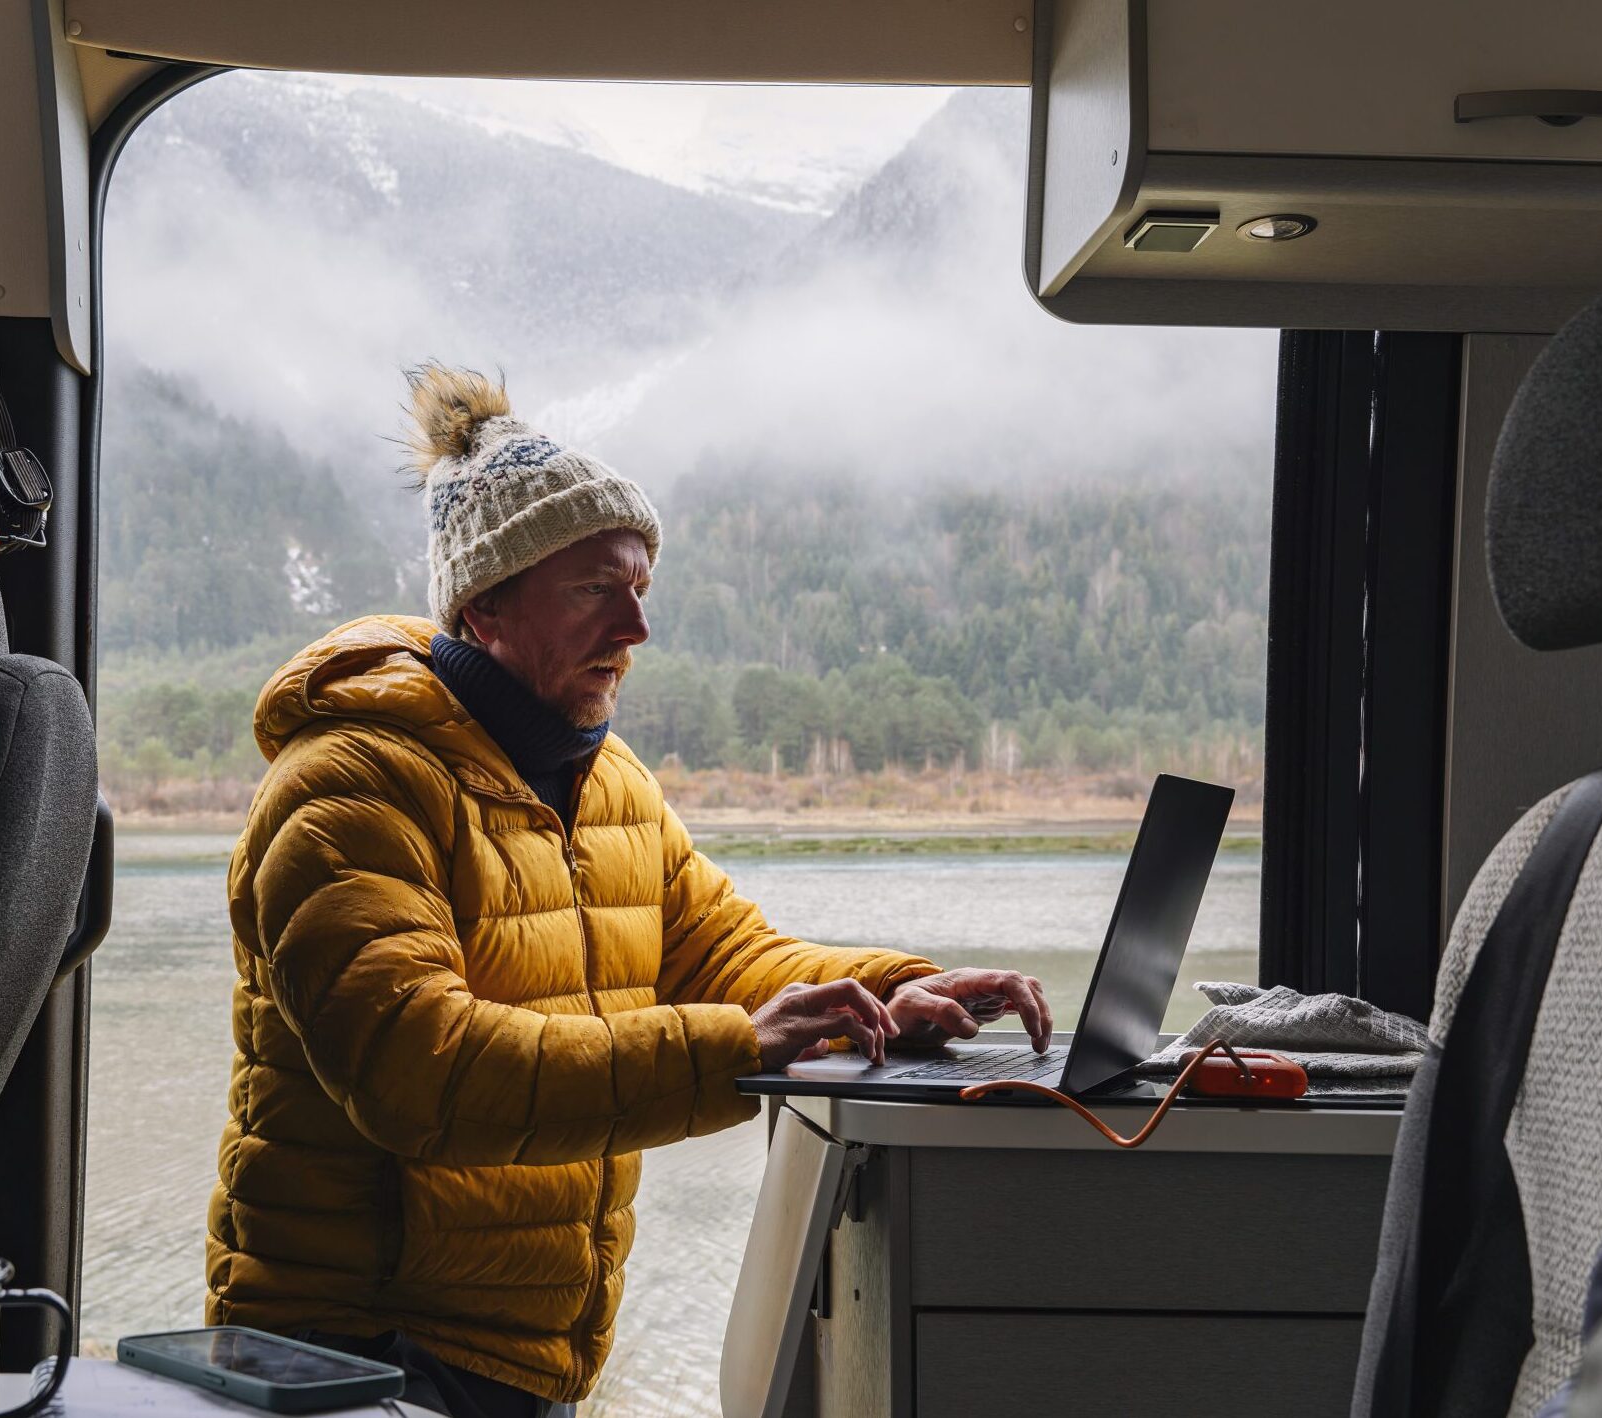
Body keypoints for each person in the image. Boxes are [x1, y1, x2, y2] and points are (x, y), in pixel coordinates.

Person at [208, 366, 1052, 1418]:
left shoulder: (610, 786)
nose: (634, 629)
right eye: (592, 591)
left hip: (524, 1353)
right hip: (352, 1355)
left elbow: (733, 957)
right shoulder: (345, 785)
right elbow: (421, 1070)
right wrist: (737, 1046)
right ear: (486, 601)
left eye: (639, 589)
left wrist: (898, 987)